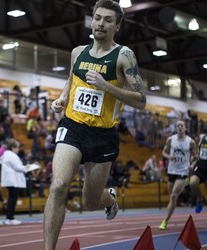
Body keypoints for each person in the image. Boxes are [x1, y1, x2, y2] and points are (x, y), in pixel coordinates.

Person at [44, 1, 146, 249]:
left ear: (117, 26)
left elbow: (141, 100)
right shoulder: (78, 52)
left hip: (103, 135)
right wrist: (61, 99)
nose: (101, 23)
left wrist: (107, 86)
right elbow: (71, 81)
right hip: (73, 126)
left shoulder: (123, 56)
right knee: (58, 186)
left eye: (108, 20)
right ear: (92, 20)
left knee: (90, 202)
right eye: (97, 18)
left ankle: (108, 200)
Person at [158, 120, 196, 230]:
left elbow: (195, 156)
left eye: (181, 125)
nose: (179, 127)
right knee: (172, 197)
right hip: (172, 170)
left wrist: (192, 165)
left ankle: (165, 221)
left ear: (185, 128)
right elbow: (163, 152)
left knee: (174, 195)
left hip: (183, 171)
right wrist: (169, 157)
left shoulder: (190, 141)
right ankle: (170, 212)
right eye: (178, 125)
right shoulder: (171, 139)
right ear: (176, 128)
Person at [0, 138, 27, 225]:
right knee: (13, 198)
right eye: (17, 148)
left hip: (10, 180)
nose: (18, 149)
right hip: (12, 180)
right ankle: (10, 217)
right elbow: (18, 167)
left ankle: (9, 217)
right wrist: (27, 168)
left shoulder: (7, 154)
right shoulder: (11, 155)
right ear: (13, 148)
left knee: (11, 198)